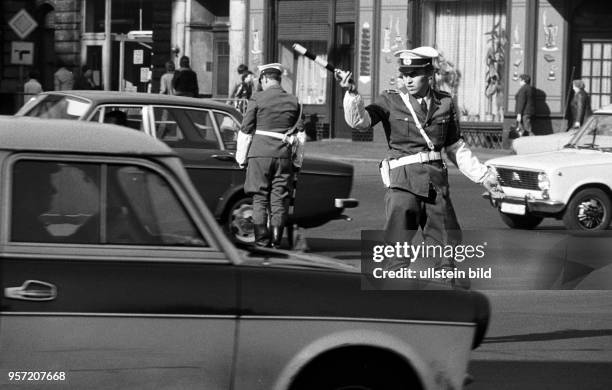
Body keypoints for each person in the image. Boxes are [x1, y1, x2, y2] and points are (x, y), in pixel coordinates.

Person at [336, 47, 503, 277]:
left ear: (429, 74)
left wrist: (484, 176)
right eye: (404, 74)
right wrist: (352, 94)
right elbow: (360, 122)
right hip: (403, 182)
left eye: (413, 74)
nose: (408, 79)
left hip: (436, 184)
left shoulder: (445, 103)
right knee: (397, 249)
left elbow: (455, 147)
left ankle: (445, 300)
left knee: (446, 248)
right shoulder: (390, 100)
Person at [235, 63, 305, 248]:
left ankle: (262, 240)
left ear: (265, 78)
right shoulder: (293, 101)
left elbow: (245, 130)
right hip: (283, 156)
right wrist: (297, 161)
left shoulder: (257, 98)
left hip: (259, 155)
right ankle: (276, 241)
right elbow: (300, 135)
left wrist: (241, 159)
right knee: (279, 199)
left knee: (259, 197)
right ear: (279, 79)